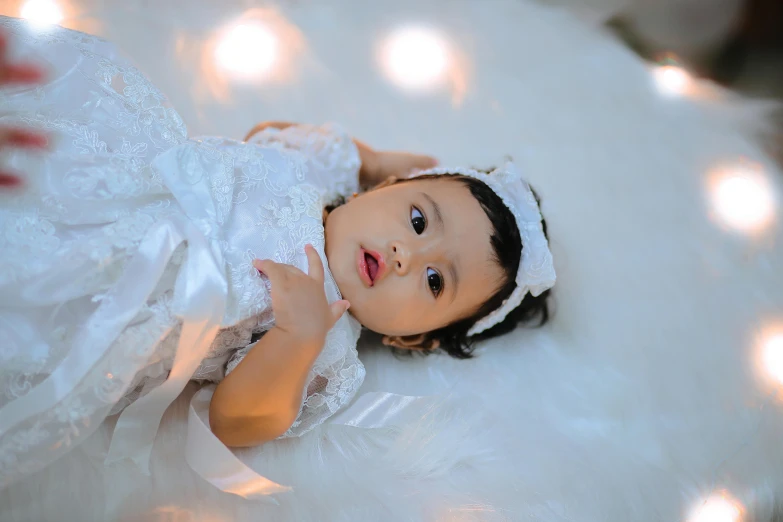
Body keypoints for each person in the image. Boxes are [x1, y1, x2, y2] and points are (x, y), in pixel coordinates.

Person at [0, 16, 555, 490]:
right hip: (128, 176)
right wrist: (371, 156)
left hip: (120, 299)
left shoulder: (328, 346)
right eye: (416, 219)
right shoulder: (319, 173)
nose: (405, 253)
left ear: (411, 338)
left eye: (436, 281)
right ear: (380, 191)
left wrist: (297, 337)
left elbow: (235, 421)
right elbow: (267, 131)